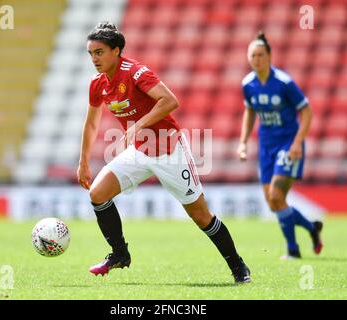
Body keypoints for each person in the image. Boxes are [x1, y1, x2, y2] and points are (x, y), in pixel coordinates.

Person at [77, 21, 251, 283]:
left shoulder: (135, 72)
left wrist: (138, 125)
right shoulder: (97, 83)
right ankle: (119, 254)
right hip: (139, 151)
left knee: (200, 215)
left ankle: (238, 266)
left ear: (116, 51)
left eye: (99, 52)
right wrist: (83, 163)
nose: (94, 59)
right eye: (90, 53)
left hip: (170, 151)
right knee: (98, 194)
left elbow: (170, 100)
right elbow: (91, 123)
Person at [237, 31, 323, 259]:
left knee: (276, 196)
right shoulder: (248, 84)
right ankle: (312, 228)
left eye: (260, 55)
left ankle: (293, 250)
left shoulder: (284, 83)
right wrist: (243, 142)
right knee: (274, 203)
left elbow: (306, 112)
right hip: (266, 146)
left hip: (287, 143)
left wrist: (297, 143)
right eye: (252, 56)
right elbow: (249, 111)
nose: (256, 59)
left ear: (269, 56)